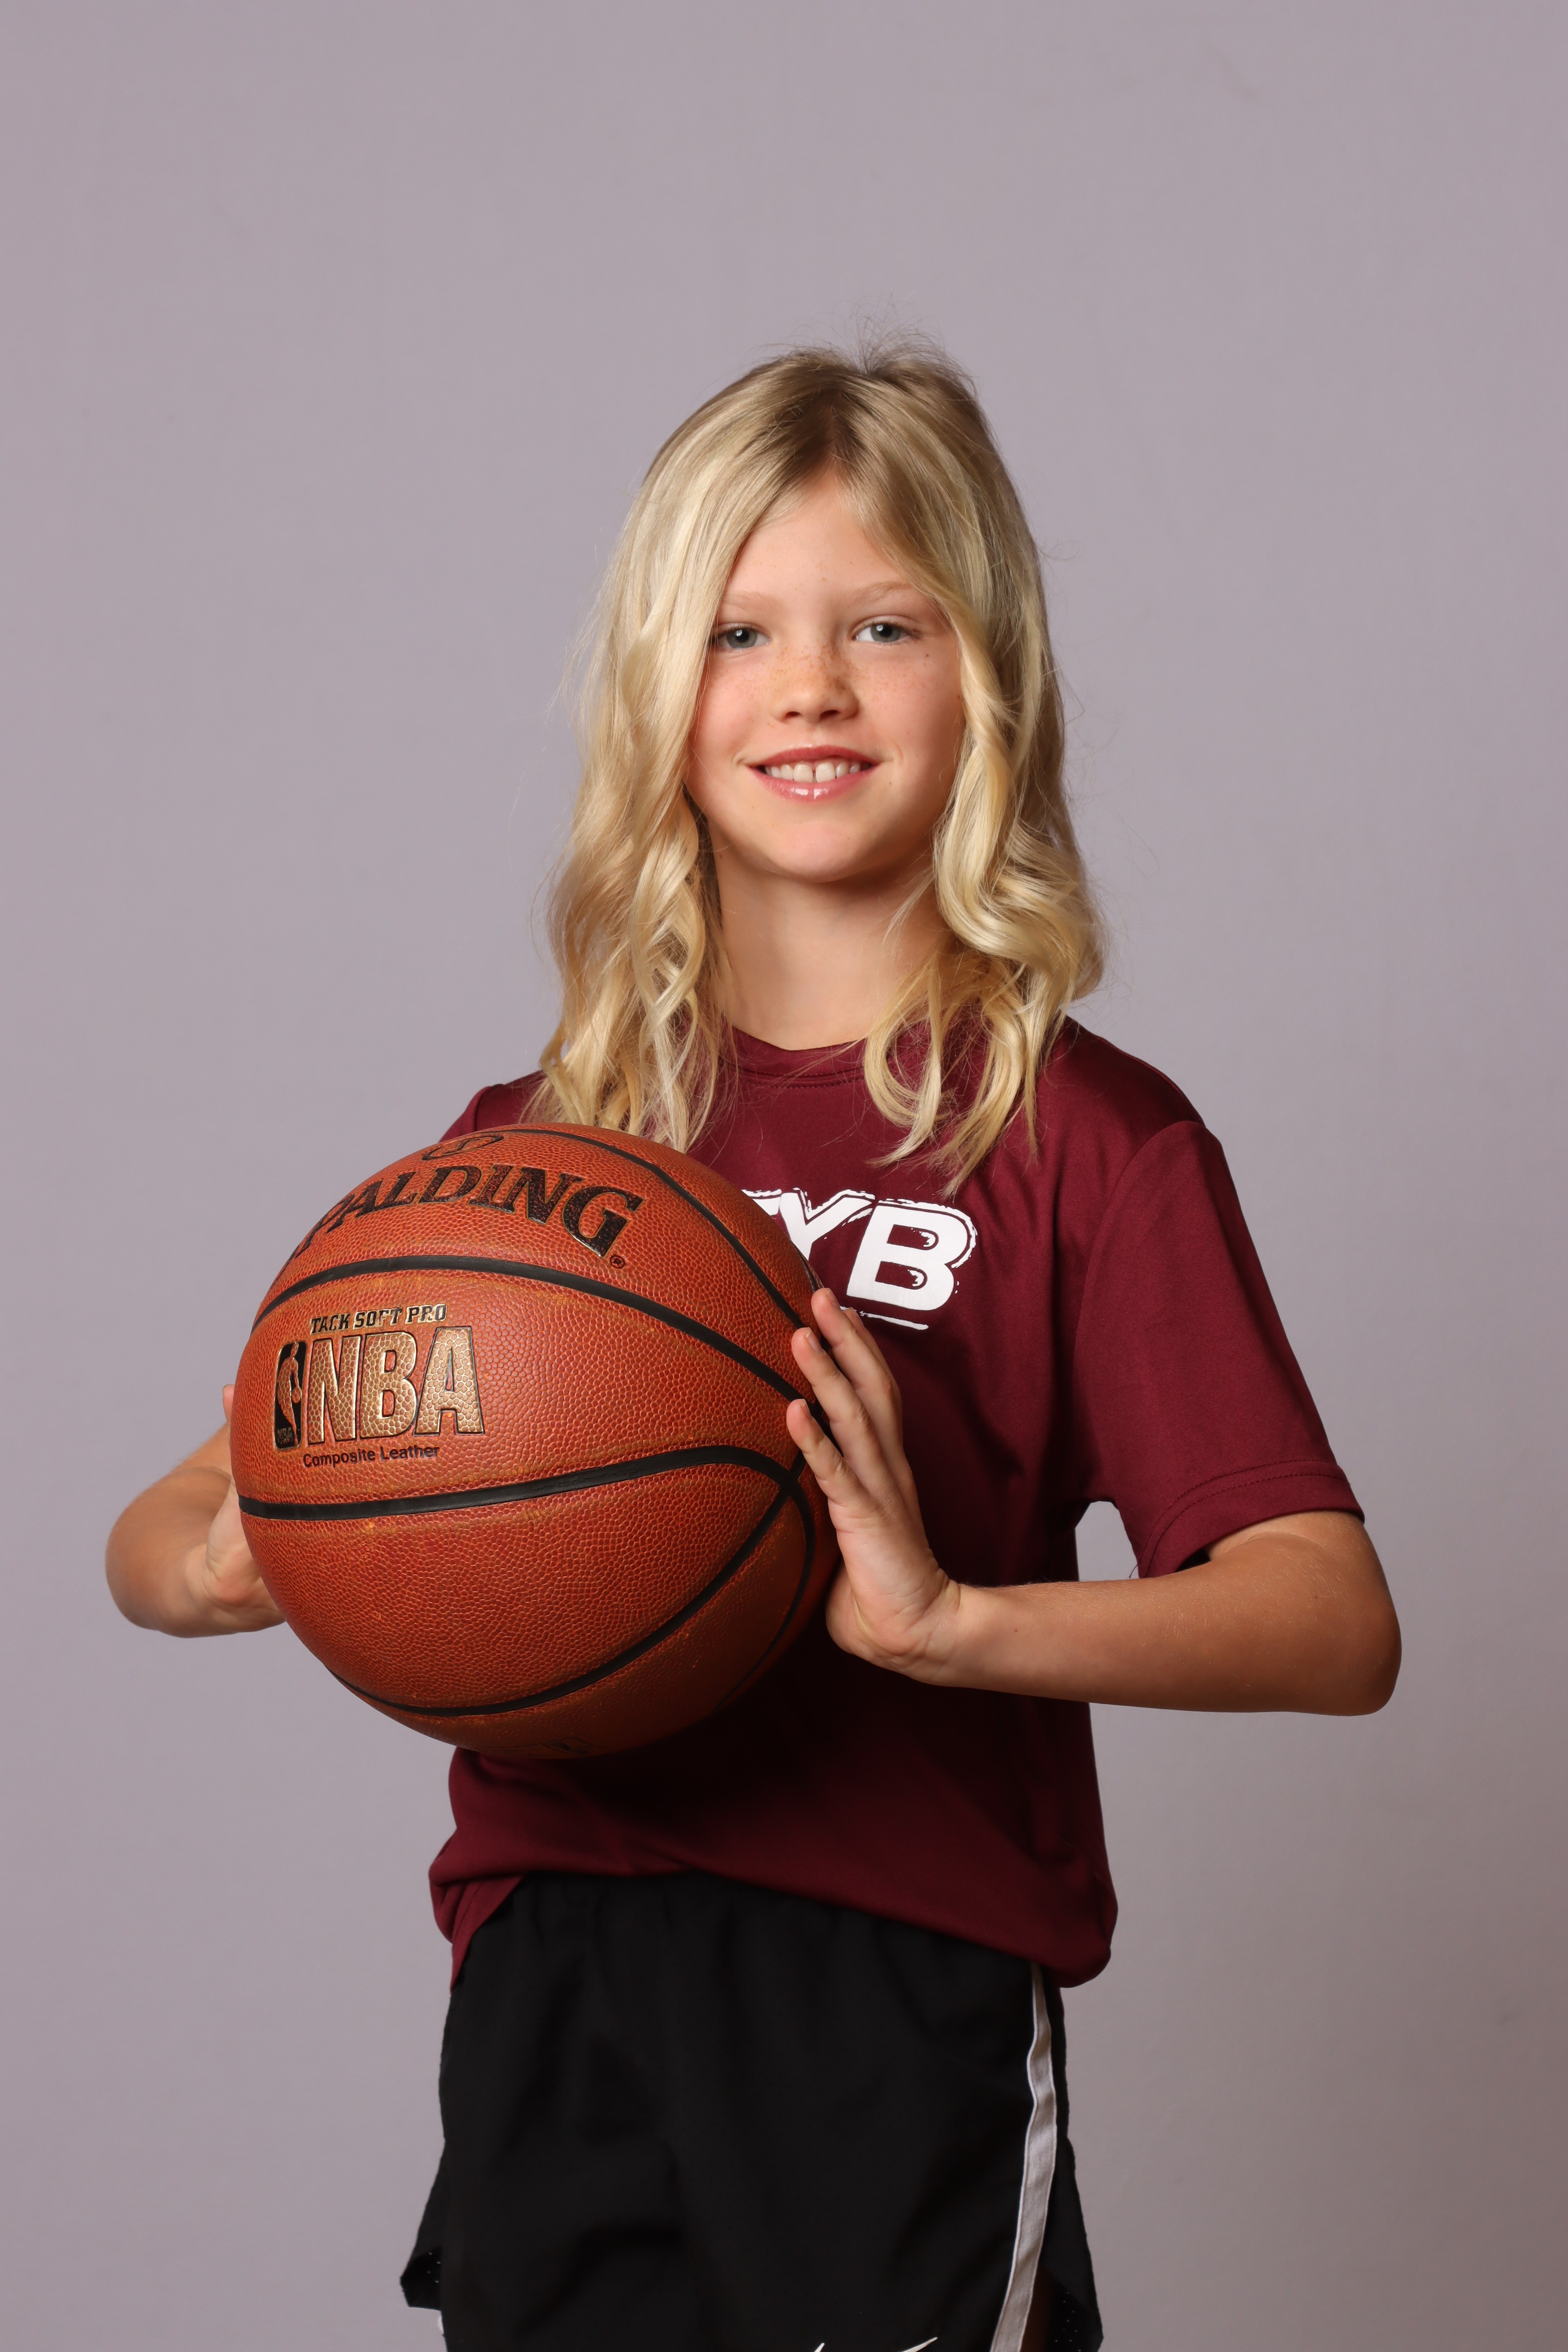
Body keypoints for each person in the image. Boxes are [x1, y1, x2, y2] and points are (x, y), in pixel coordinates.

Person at [107, 343, 1401, 2352]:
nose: (809, 686)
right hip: (553, 1955)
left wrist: (953, 1625)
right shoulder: (531, 1154)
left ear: (986, 680)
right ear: (659, 691)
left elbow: (1328, 1618)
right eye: (740, 632)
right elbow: (164, 1533)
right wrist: (223, 1559)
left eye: (883, 625)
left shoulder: (1079, 1138)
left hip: (889, 1981)